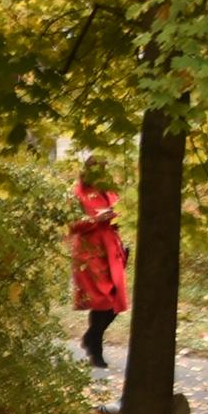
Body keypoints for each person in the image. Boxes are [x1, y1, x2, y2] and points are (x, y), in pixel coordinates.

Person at [70, 157, 127, 369]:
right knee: (102, 301)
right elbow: (70, 225)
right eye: (97, 170)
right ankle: (96, 349)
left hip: (111, 252)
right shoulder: (78, 193)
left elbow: (119, 214)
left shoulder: (110, 190)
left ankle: (90, 337)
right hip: (90, 252)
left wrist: (116, 218)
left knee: (115, 302)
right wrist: (95, 220)